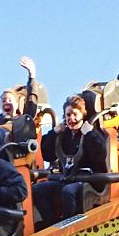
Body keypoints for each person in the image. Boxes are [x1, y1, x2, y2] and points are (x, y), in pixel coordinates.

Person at [33, 95, 109, 227]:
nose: (71, 119)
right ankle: (52, 224)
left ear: (82, 115)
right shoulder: (63, 135)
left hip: (88, 180)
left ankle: (71, 227)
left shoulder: (91, 133)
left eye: (75, 114)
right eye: (68, 115)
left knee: (68, 191)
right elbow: (47, 155)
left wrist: (90, 134)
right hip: (67, 178)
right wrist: (53, 133)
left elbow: (100, 157)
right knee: (38, 189)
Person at [0, 56, 38, 132]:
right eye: (4, 100)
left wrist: (32, 77)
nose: (6, 102)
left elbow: (31, 105)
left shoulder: (22, 120)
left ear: (16, 104)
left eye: (10, 100)